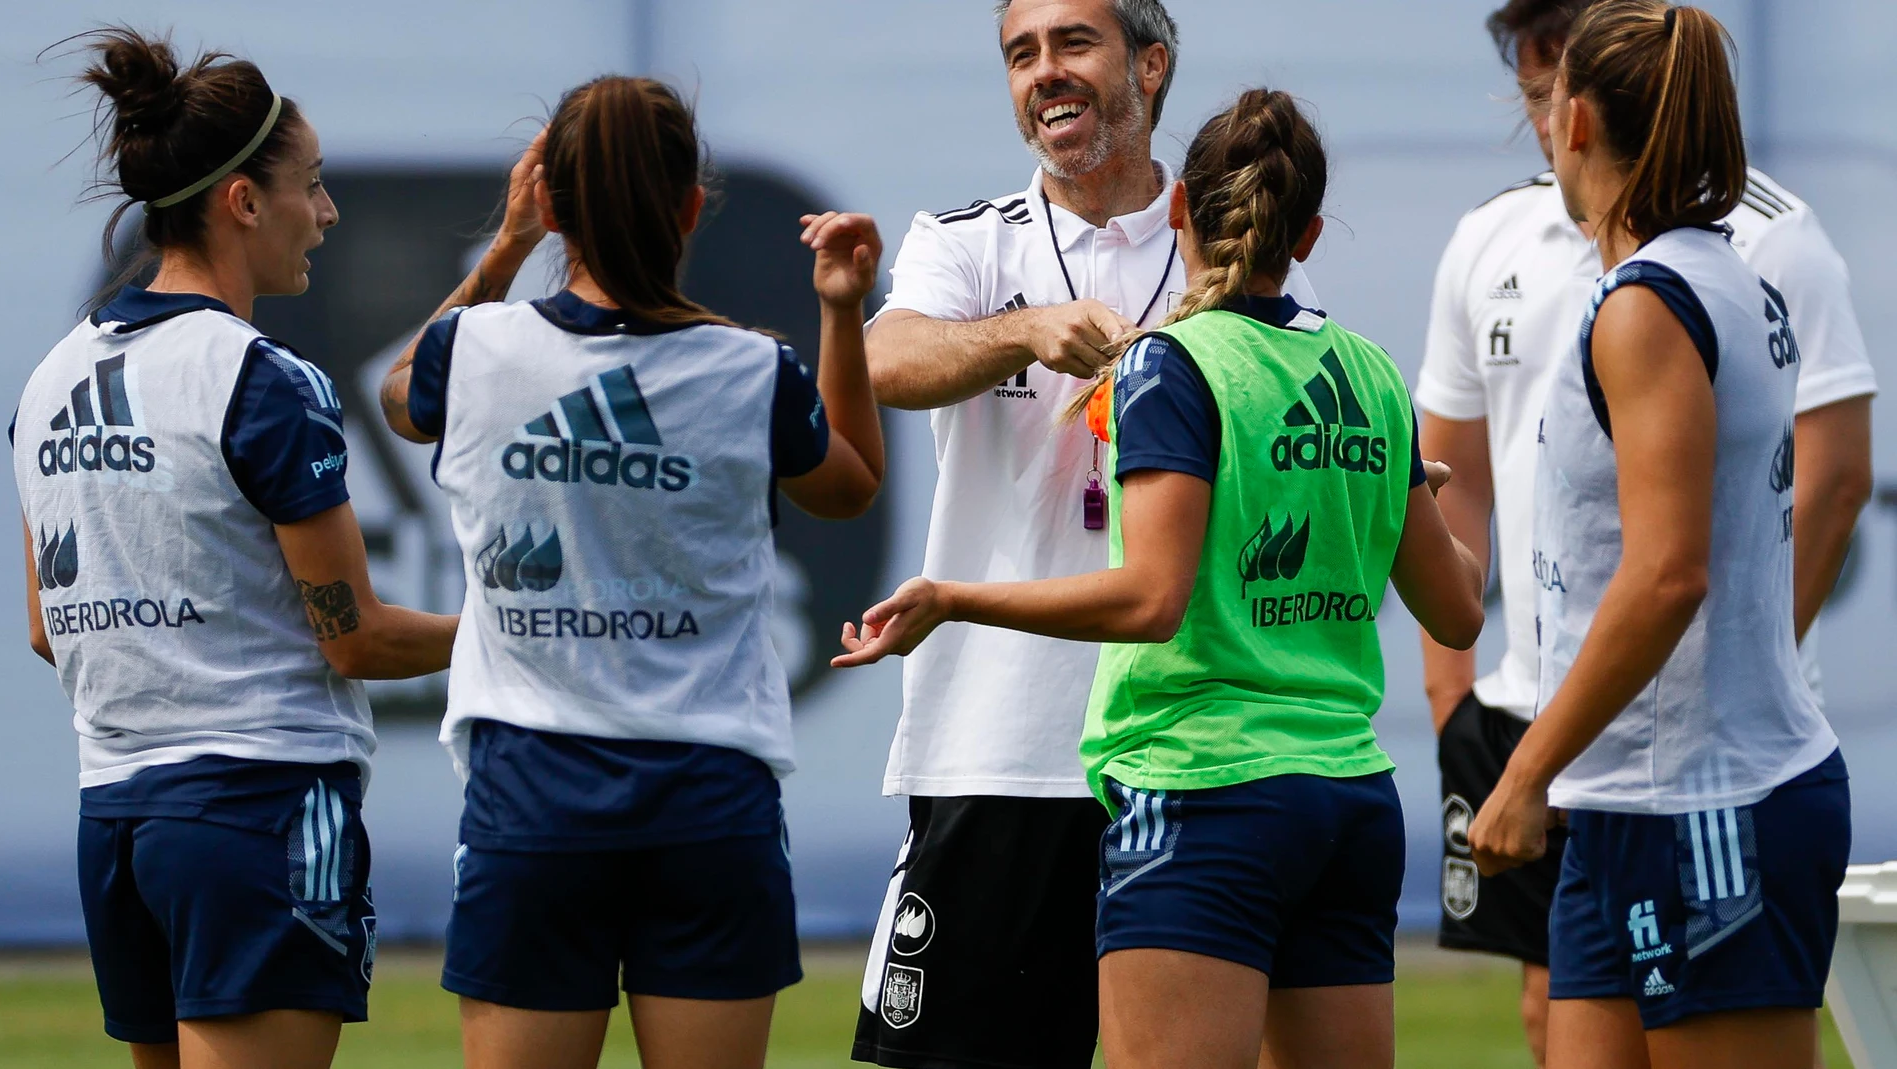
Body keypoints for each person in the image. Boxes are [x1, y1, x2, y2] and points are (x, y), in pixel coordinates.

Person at [838, 87, 1486, 1069]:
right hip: (1347, 798)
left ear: (1179, 209)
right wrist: (1398, 501)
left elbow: (1149, 598)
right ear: (1306, 234)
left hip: (1204, 789)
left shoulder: (1168, 366)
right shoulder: (1367, 372)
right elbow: (1458, 608)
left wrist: (955, 597)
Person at [377, 76, 885, 1069]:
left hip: (530, 804)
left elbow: (401, 395)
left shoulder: (471, 352)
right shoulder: (753, 370)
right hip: (709, 805)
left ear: (550, 202)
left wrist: (509, 245)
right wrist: (842, 312)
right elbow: (851, 488)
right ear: (691, 207)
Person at [853, 3, 1319, 1065]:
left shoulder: (1228, 230)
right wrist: (1023, 330)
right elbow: (883, 358)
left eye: (1073, 44)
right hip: (998, 749)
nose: (1044, 74)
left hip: (1190, 752)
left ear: (1149, 65)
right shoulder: (970, 241)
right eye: (1022, 54)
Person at [1417, 1, 1875, 1061]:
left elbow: (1668, 573)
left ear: (1575, 120)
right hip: (1617, 794)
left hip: (1712, 799)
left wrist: (1522, 772)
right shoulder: (1713, 276)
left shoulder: (1652, 303)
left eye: (1547, 93)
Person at [12, 27, 458, 1069]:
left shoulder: (47, 380)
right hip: (257, 812)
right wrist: (519, 634)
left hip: (116, 821)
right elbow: (355, 640)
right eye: (311, 184)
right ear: (242, 202)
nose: (328, 213)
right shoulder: (262, 378)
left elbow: (46, 629)